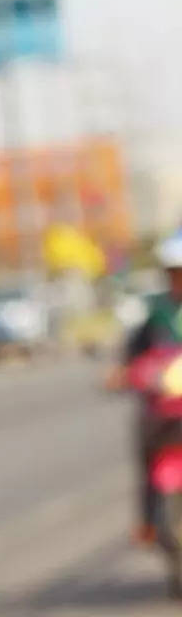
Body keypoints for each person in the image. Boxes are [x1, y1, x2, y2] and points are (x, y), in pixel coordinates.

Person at [109, 230, 182, 544]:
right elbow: (132, 354)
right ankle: (149, 521)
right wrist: (120, 373)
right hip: (165, 406)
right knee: (147, 448)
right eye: (174, 273)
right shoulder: (156, 313)